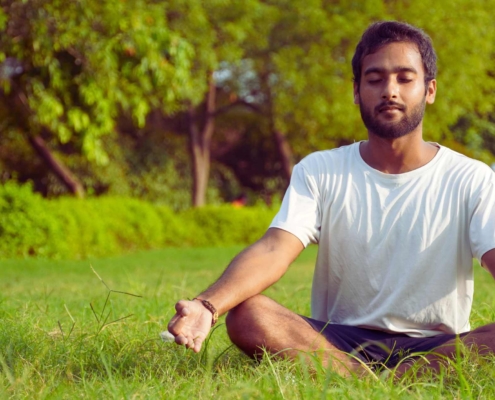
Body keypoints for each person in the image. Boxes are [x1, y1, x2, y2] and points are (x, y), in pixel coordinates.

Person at [167, 21, 495, 376]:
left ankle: (406, 377)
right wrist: (207, 305)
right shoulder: (321, 170)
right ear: (356, 90)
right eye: (374, 79)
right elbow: (275, 249)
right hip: (336, 342)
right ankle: (360, 379)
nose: (390, 91)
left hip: (436, 345)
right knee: (248, 315)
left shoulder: (471, 178)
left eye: (404, 78)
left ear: (429, 89)